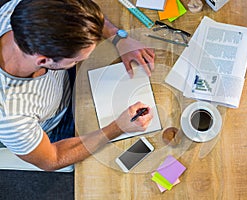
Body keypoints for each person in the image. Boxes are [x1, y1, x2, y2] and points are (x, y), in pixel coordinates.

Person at [0, 0, 155, 171]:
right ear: (44, 60)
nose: (81, 62)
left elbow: (77, 14)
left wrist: (117, 37)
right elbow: (52, 158)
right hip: (58, 125)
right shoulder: (11, 117)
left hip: (62, 85)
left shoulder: (26, 8)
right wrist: (118, 128)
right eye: (76, 60)